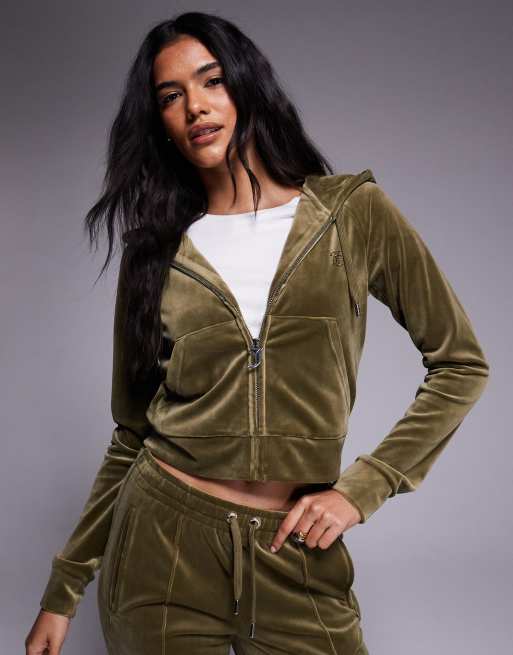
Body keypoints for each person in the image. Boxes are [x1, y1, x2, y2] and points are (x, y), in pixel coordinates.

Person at [25, 11, 490, 655]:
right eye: (170, 96)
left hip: (294, 550)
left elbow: (461, 364)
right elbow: (131, 432)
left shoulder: (351, 214)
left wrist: (364, 487)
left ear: (247, 85)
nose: (195, 106)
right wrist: (63, 589)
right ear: (160, 123)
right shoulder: (154, 251)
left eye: (212, 81)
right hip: (163, 546)